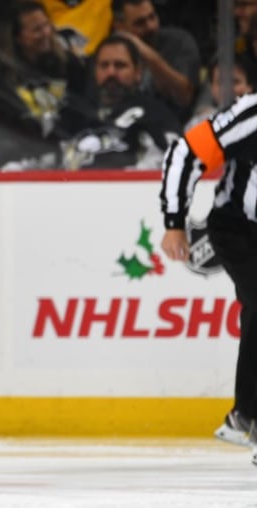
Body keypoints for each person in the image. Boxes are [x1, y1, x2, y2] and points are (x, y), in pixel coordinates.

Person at [159, 92, 257, 451]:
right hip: (239, 229)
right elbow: (187, 152)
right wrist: (174, 221)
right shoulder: (253, 114)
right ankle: (246, 415)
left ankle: (244, 415)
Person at [0, 0, 88, 168]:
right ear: (17, 37)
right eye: (36, 30)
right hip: (19, 157)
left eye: (46, 26)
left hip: (67, 152)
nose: (45, 33)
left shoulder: (69, 65)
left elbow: (85, 112)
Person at [58, 34, 180, 170]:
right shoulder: (73, 113)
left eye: (120, 65)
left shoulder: (155, 113)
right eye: (104, 65)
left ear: (138, 72)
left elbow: (174, 159)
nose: (111, 72)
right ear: (94, 71)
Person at [110, 0, 201, 127]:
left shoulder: (179, 42)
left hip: (177, 129)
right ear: (120, 27)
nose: (151, 26)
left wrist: (147, 54)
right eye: (140, 23)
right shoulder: (109, 55)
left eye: (152, 17)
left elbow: (184, 96)